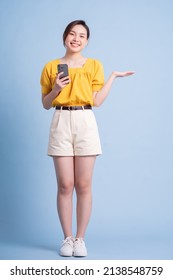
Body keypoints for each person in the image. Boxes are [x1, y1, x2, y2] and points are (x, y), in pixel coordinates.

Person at [40, 19, 134, 257]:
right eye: (72, 34)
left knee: (83, 184)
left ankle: (80, 239)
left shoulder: (94, 65)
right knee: (65, 184)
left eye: (81, 35)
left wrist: (112, 76)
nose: (76, 38)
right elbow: (45, 104)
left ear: (87, 40)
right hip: (61, 120)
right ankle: (67, 238)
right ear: (64, 37)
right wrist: (56, 90)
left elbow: (97, 101)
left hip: (85, 121)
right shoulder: (51, 67)